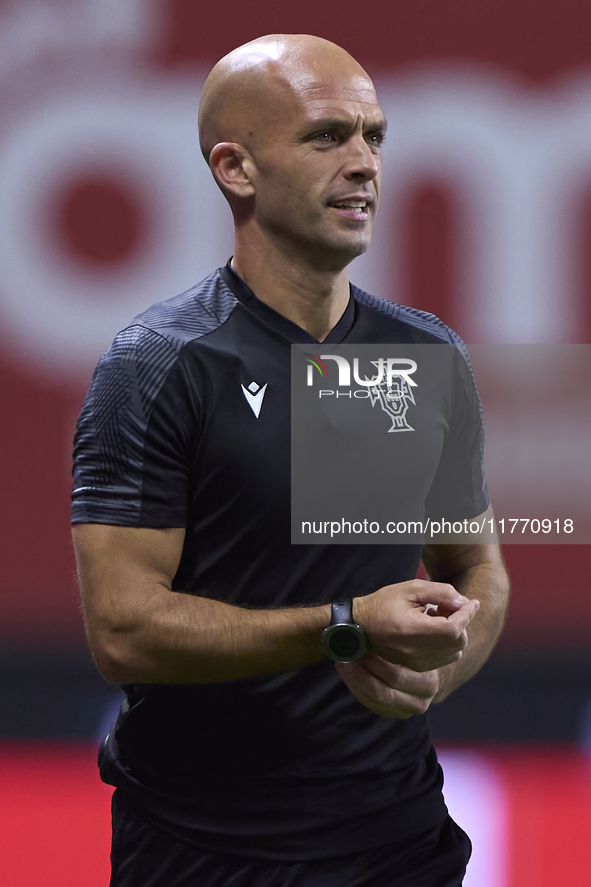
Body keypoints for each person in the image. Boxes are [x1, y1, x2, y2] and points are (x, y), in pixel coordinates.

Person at [71, 34, 509, 887]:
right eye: (326, 136)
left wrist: (442, 663)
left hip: (399, 843)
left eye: (373, 137)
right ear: (235, 168)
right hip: (207, 851)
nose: (363, 164)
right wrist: (343, 624)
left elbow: (476, 565)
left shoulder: (419, 352)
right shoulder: (160, 364)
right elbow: (121, 627)